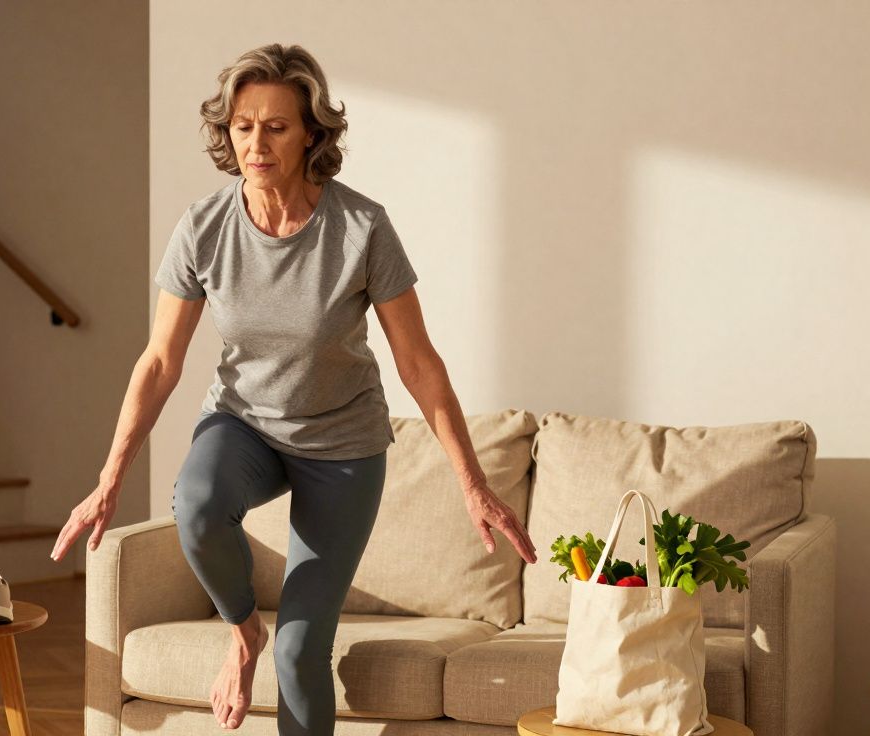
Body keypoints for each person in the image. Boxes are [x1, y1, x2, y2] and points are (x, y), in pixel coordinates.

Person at [50, 42, 538, 736]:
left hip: (343, 447)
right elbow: (160, 361)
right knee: (196, 504)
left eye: (276, 126)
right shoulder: (204, 228)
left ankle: (273, 648)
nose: (256, 142)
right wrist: (107, 480)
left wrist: (472, 483)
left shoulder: (362, 228)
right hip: (244, 427)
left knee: (303, 648)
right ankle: (241, 631)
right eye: (243, 126)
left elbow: (419, 363)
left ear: (312, 132)